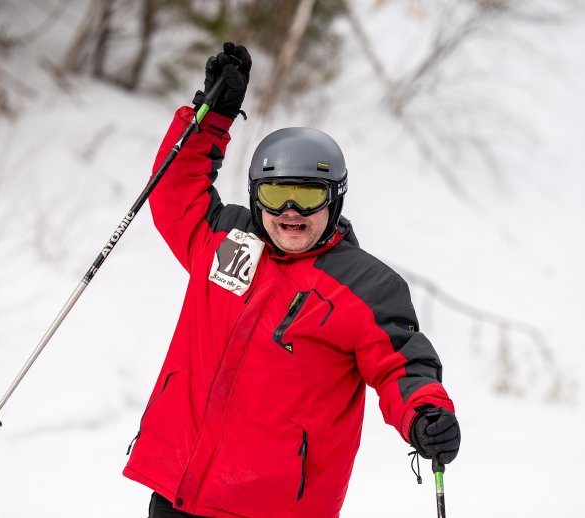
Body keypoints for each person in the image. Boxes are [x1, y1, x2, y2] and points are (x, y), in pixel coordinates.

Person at [123, 43, 461, 518]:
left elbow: (401, 364)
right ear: (256, 196)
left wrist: (425, 412)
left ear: (335, 200)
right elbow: (175, 188)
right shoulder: (224, 238)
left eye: (307, 196)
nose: (290, 211)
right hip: (180, 490)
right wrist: (211, 117)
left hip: (274, 505)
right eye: (277, 193)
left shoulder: (366, 286)